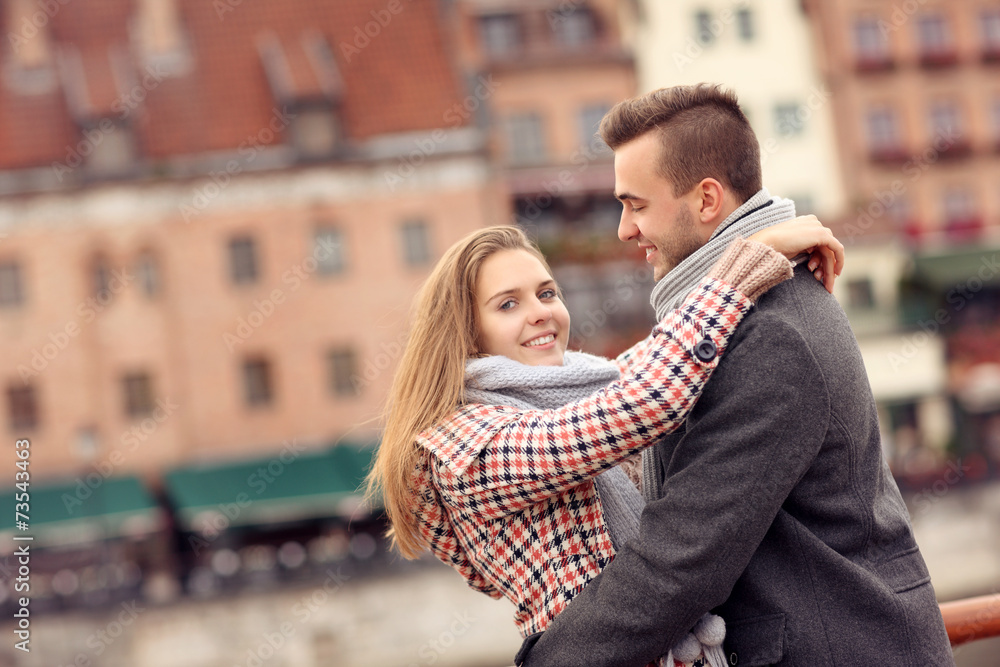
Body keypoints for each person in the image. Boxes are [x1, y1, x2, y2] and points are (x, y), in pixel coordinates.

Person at [517, 84, 954, 666]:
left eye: (636, 204)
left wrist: (546, 661)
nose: (624, 230)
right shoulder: (740, 313)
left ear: (706, 200)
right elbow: (637, 391)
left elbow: (682, 557)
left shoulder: (769, 333)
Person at [366, 215, 844, 666]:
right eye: (508, 304)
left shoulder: (580, 388)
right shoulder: (468, 449)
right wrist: (747, 260)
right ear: (467, 336)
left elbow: (662, 356)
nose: (540, 313)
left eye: (547, 293)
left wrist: (774, 252)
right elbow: (647, 400)